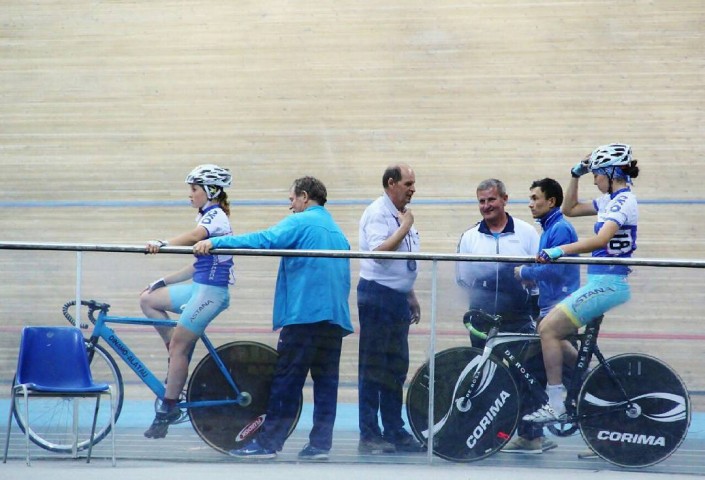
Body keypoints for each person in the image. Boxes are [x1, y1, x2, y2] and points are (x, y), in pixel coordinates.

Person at [193, 176, 353, 461]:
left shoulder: (301, 221)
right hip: (335, 319)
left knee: (287, 381)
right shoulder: (338, 232)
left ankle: (268, 444)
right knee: (326, 385)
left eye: (292, 199)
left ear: (304, 197)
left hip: (304, 317)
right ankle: (320, 445)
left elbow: (264, 239)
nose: (290, 206)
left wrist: (215, 241)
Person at [523, 143, 639, 423]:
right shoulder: (609, 201)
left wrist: (559, 250)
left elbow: (601, 240)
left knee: (548, 330)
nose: (594, 179)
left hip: (609, 283)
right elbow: (570, 208)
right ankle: (591, 388)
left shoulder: (624, 201)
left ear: (611, 172)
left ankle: (555, 403)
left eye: (596, 174)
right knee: (551, 331)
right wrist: (575, 174)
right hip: (602, 281)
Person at [455, 178, 554, 453]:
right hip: (483, 317)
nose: (486, 206)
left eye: (491, 200)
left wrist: (535, 309)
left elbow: (540, 274)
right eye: (481, 201)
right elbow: (462, 279)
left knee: (529, 373)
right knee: (485, 377)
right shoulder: (469, 237)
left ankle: (531, 436)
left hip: (519, 315)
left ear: (505, 199)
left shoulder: (527, 233)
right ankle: (487, 437)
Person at [141, 164, 234, 439]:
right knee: (148, 299)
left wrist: (162, 243)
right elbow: (198, 266)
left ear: (211, 191)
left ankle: (168, 408)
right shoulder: (207, 216)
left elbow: (193, 238)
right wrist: (164, 281)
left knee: (180, 345)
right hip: (198, 288)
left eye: (194, 189)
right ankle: (176, 356)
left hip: (211, 293)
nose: (190, 194)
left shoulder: (216, 216)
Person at [501, 177, 581, 454]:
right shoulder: (549, 229)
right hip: (551, 307)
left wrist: (524, 272)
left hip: (560, 307)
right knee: (537, 369)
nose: (530, 204)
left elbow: (554, 270)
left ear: (552, 201)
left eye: (535, 198)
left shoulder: (560, 229)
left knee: (539, 368)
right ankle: (532, 435)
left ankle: (584, 390)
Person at [357, 164, 424, 454]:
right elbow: (379, 254)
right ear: (391, 183)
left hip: (396, 297)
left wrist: (409, 293)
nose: (413, 189)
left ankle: (394, 430)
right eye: (408, 183)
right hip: (377, 296)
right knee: (374, 367)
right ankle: (369, 434)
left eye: (413, 183)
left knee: (396, 367)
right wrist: (405, 226)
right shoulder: (378, 213)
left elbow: (403, 259)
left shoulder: (399, 213)